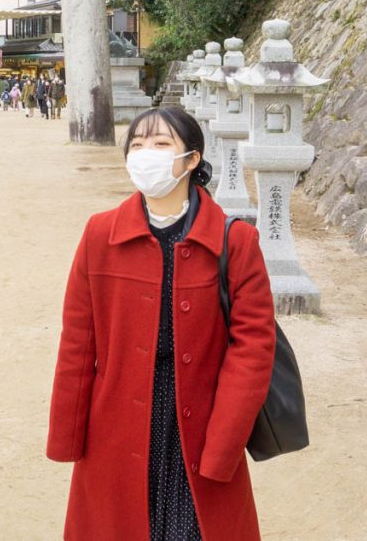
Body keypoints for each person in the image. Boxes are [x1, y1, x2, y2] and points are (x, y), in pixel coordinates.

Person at [47, 106, 275, 541]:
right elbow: (78, 341)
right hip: (117, 420)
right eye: (137, 145)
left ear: (191, 159)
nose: (145, 153)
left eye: (161, 143)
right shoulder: (100, 235)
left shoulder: (236, 242)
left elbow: (253, 350)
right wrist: (67, 435)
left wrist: (223, 443)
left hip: (200, 422)